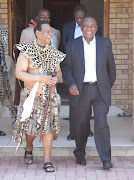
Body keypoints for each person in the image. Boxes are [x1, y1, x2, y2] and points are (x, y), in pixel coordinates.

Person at [62, 17, 116, 170]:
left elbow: (111, 69)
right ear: (81, 27)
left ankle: (106, 159)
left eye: (92, 26)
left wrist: (105, 86)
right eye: (86, 25)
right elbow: (66, 67)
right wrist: (71, 84)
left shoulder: (105, 43)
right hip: (81, 90)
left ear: (96, 28)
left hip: (100, 91)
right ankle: (80, 153)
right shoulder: (73, 44)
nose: (89, 28)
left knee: (101, 124)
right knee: (81, 125)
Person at [12, 21, 66, 172]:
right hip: (31, 96)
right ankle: (29, 146)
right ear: (37, 33)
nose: (51, 34)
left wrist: (57, 78)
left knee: (48, 128)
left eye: (51, 32)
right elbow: (19, 73)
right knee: (31, 130)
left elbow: (59, 72)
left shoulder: (53, 52)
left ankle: (47, 160)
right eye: (48, 32)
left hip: (50, 97)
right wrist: (40, 78)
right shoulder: (27, 51)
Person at [62, 4, 93, 141]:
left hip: (90, 69)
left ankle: (86, 129)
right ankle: (73, 131)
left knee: (88, 101)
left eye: (82, 18)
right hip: (73, 68)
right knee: (74, 102)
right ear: (74, 15)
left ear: (86, 14)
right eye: (77, 18)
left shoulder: (93, 27)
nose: (80, 21)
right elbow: (64, 45)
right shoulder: (67, 27)